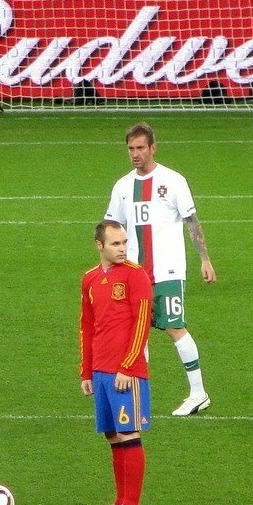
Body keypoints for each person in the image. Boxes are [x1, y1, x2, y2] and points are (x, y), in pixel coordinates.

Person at [104, 122, 216, 417]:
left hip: (167, 270)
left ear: (153, 148)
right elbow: (113, 228)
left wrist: (204, 259)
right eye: (131, 149)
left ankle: (198, 392)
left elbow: (192, 221)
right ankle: (140, 395)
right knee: (135, 333)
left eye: (141, 148)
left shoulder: (174, 180)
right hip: (132, 272)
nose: (135, 154)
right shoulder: (123, 186)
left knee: (174, 327)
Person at [81, 221, 153, 505]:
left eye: (124, 242)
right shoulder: (90, 279)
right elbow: (87, 325)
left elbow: (142, 322)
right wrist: (86, 370)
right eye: (115, 244)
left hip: (127, 372)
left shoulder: (136, 275)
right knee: (113, 436)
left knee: (128, 432)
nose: (122, 248)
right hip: (101, 370)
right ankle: (119, 504)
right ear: (100, 246)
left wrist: (128, 365)